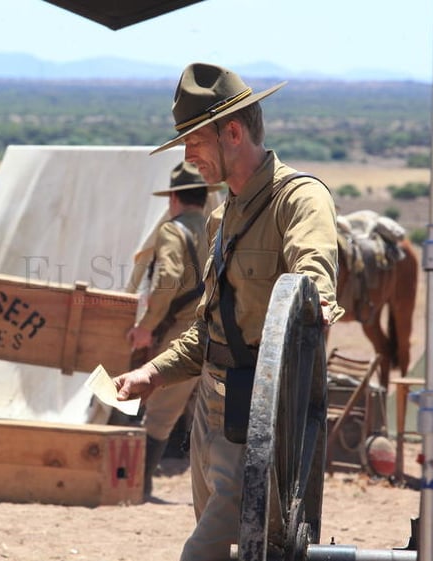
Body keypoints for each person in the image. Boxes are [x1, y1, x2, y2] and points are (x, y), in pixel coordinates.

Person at [114, 63, 343, 560]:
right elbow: (209, 330)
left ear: (233, 131)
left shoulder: (299, 199)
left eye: (194, 142)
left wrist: (317, 300)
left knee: (203, 553)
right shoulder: (222, 216)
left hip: (258, 418)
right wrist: (151, 373)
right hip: (210, 413)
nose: (188, 156)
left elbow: (312, 271)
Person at [127, 161, 220, 498]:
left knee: (158, 412)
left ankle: (138, 485)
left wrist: (145, 327)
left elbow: (166, 281)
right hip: (214, 330)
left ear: (174, 199)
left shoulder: (172, 230)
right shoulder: (215, 228)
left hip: (179, 331)